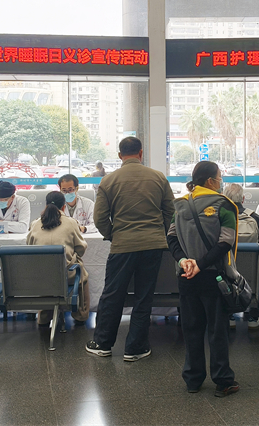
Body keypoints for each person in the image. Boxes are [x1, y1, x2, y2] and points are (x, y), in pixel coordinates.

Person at [86, 137, 175, 361]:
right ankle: (136, 348)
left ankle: (102, 343)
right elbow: (170, 212)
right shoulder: (158, 177)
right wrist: (162, 233)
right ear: (141, 153)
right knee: (144, 296)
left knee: (113, 294)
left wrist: (112, 234)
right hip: (153, 245)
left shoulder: (108, 181)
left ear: (120, 155)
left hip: (122, 245)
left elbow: (99, 218)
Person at [167, 161, 240, 397]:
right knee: (217, 330)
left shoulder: (180, 204)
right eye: (219, 177)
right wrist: (201, 264)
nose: (221, 182)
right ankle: (223, 380)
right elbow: (226, 242)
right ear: (210, 181)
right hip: (213, 277)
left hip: (186, 275)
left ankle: (193, 379)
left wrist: (184, 261)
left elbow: (171, 238)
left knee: (191, 328)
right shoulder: (224, 205)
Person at [26, 191, 90, 324]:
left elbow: (29, 247)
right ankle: (81, 315)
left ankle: (44, 317)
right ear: (63, 206)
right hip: (66, 274)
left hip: (41, 275)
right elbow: (81, 248)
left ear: (46, 205)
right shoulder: (71, 223)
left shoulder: (35, 224)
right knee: (82, 276)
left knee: (46, 277)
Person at [224, 183, 259, 330]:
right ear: (243, 199)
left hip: (226, 271)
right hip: (252, 274)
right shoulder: (255, 217)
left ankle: (228, 317)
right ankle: (253, 318)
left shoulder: (218, 217)